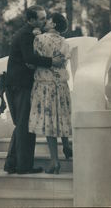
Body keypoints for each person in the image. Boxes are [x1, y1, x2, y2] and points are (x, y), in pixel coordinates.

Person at [4, 6, 64, 174]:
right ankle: (23, 166)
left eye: (45, 18)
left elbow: (30, 59)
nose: (45, 21)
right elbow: (29, 58)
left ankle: (12, 164)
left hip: (18, 84)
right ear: (30, 20)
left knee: (22, 124)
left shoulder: (29, 33)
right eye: (41, 19)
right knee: (25, 125)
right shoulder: (26, 35)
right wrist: (52, 61)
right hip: (20, 85)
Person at [29, 13, 72, 174]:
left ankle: (54, 161)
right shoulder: (65, 42)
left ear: (53, 24)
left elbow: (33, 62)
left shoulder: (40, 40)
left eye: (47, 20)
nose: (45, 22)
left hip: (45, 86)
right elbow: (63, 62)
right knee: (61, 117)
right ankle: (66, 146)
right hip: (61, 86)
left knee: (49, 122)